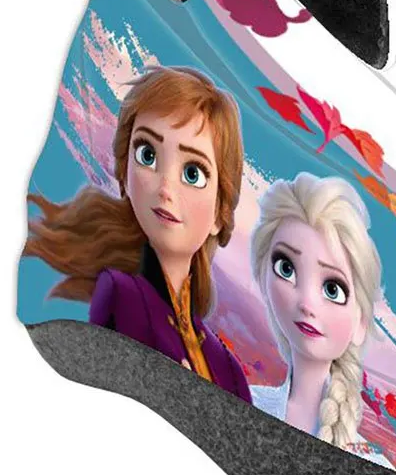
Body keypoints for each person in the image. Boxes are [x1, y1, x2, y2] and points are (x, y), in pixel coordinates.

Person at [24, 66, 251, 403]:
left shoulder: (229, 369)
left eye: (193, 173)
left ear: (220, 213)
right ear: (125, 175)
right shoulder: (121, 295)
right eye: (147, 154)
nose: (165, 188)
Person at [250, 172, 394, 467]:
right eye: (286, 268)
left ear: (361, 323)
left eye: (332, 289)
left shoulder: (375, 465)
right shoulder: (245, 399)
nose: (306, 303)